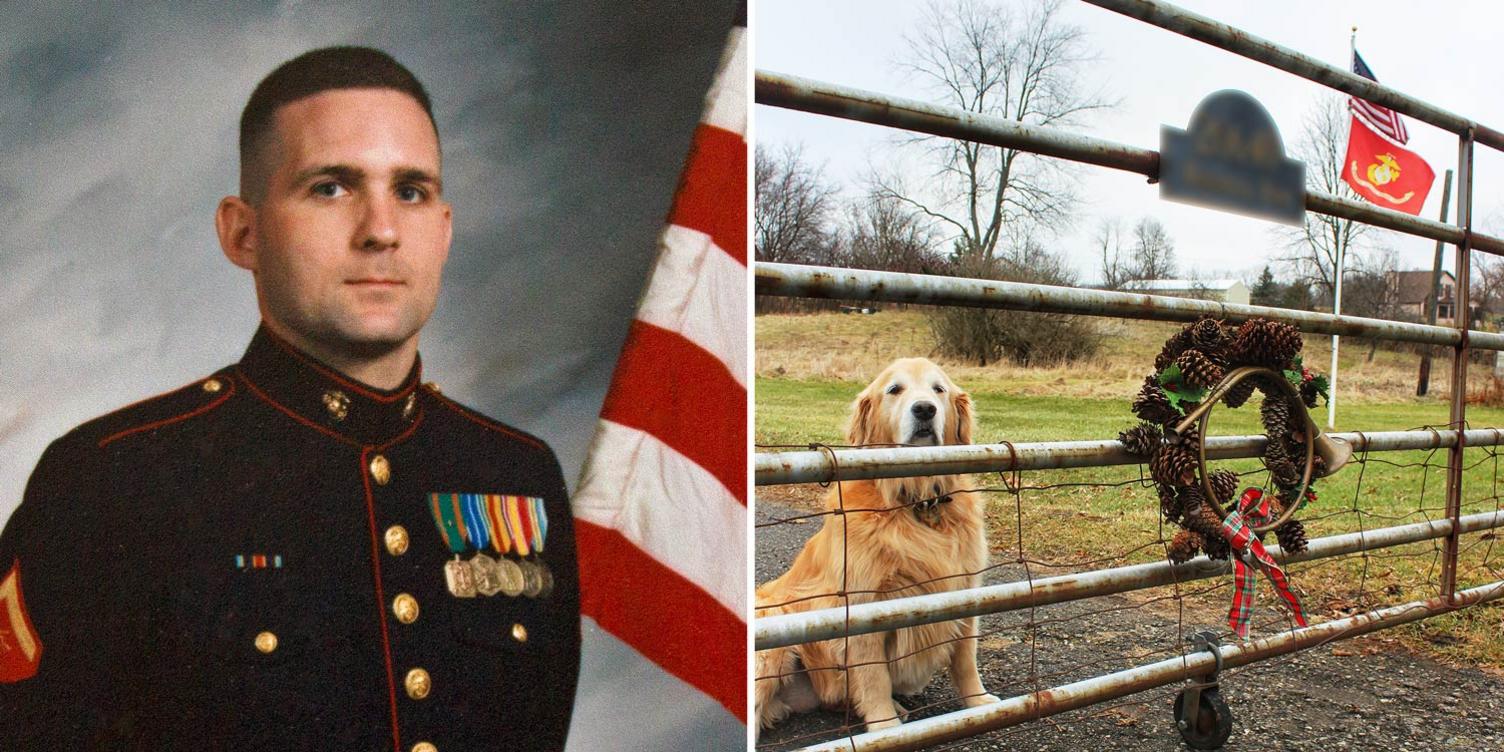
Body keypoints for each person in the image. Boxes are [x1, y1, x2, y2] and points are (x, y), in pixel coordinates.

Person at [0, 46, 579, 751]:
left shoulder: (516, 474)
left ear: (445, 231)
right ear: (242, 232)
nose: (381, 230)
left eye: (411, 190)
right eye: (331, 187)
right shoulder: (111, 479)